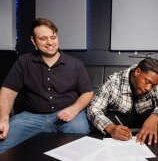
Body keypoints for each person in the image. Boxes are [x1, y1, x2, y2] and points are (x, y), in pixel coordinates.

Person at [0, 18, 94, 153]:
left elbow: (88, 92)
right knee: (3, 142)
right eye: (43, 38)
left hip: (69, 116)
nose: (50, 42)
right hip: (32, 116)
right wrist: (3, 118)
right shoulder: (23, 62)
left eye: (53, 37)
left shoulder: (75, 64)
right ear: (34, 41)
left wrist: (74, 109)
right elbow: (8, 90)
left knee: (79, 143)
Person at [87, 57, 158, 145]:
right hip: (119, 120)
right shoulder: (113, 81)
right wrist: (111, 128)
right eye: (147, 82)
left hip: (143, 118)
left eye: (153, 85)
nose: (149, 88)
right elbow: (93, 108)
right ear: (137, 72)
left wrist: (154, 118)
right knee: (103, 122)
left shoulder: (153, 80)